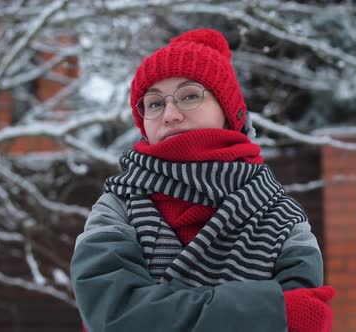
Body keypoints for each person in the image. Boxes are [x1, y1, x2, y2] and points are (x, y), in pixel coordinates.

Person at [70, 28, 336, 332]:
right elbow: (112, 315)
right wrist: (268, 312)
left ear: (228, 112)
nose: (169, 114)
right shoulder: (116, 209)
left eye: (189, 96)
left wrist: (156, 310)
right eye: (155, 103)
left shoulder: (282, 220)